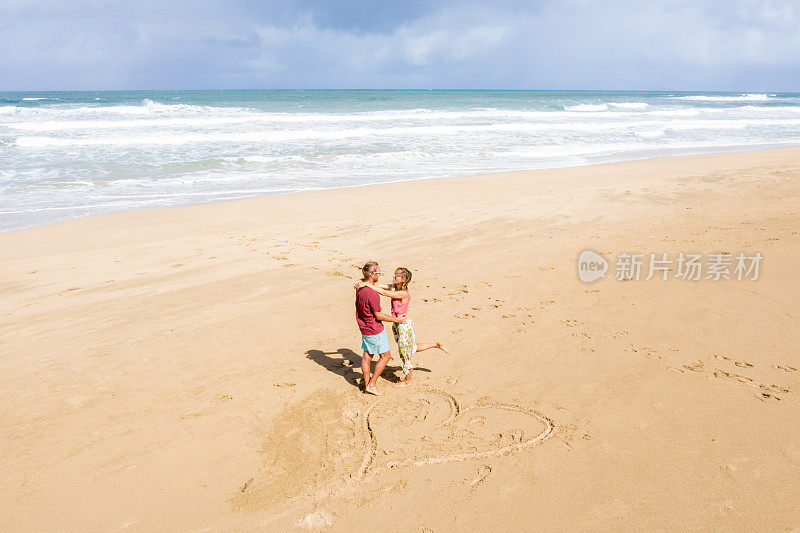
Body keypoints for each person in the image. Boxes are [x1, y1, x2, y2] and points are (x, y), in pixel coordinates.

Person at [356, 266, 449, 387]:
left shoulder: (403, 293)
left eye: (397, 276)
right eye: (394, 274)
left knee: (405, 352)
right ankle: (436, 345)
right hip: (397, 324)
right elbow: (379, 285)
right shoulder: (394, 287)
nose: (394, 276)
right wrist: (362, 282)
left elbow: (384, 292)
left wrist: (366, 285)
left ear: (404, 279)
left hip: (404, 325)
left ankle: (407, 380)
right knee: (410, 348)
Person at [355, 261, 406, 396]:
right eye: (378, 273)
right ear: (372, 275)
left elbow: (384, 287)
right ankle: (371, 385)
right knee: (385, 356)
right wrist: (397, 319)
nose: (380, 274)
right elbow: (379, 315)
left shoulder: (360, 287)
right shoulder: (371, 293)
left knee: (367, 356)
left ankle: (367, 384)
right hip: (374, 329)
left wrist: (363, 281)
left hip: (364, 327)